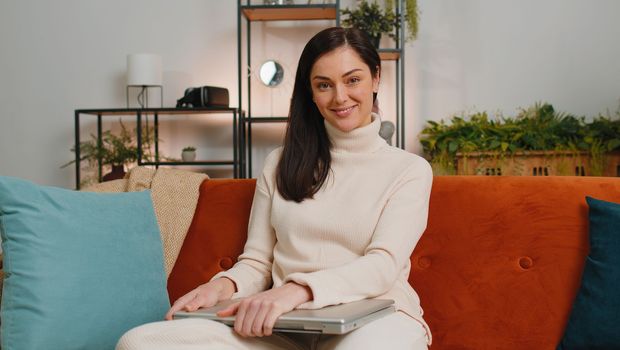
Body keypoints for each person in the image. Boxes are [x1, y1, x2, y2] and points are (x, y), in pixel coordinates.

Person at [117, 26, 433, 350]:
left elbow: (382, 266)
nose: (340, 97)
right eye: (324, 85)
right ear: (310, 92)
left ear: (376, 78)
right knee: (140, 342)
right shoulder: (280, 162)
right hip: (284, 325)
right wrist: (221, 287)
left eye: (353, 80)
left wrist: (297, 290)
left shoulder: (409, 170)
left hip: (376, 320)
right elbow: (257, 262)